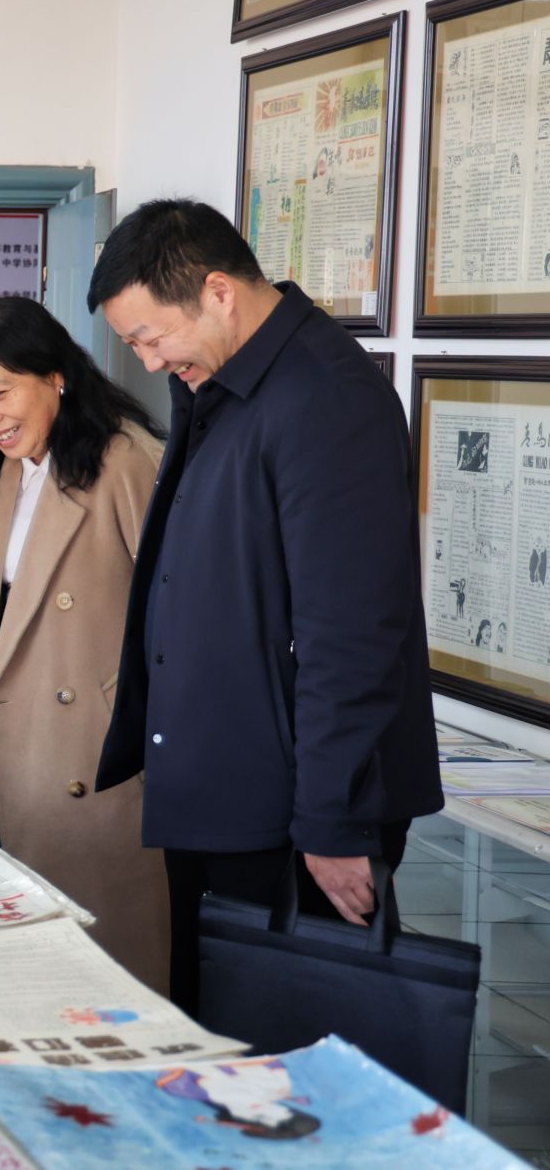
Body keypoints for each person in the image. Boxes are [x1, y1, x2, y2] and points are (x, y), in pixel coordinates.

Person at [87, 197, 442, 1015]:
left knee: (287, 1050)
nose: (149, 361)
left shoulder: (326, 397)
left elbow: (351, 633)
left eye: (150, 337)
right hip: (223, 787)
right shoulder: (225, 385)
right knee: (216, 1038)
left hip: (287, 811)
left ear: (218, 292)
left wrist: (332, 822)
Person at [0, 295, 170, 991]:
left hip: (97, 763)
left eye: (0, 392)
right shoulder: (16, 464)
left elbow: (178, 615)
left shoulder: (126, 461)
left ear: (57, 377)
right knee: (34, 974)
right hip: (21, 751)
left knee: (107, 975)